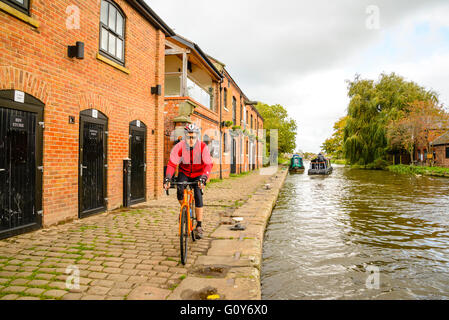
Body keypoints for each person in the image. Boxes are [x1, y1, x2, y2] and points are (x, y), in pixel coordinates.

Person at [163, 124, 213, 239]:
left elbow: (208, 164)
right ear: (185, 136)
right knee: (180, 190)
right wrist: (168, 178)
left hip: (198, 174)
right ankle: (186, 209)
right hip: (184, 173)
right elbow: (171, 163)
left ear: (197, 137)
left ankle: (199, 225)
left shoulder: (202, 147)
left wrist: (204, 177)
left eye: (193, 137)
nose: (191, 140)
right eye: (189, 137)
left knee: (198, 194)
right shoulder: (179, 146)